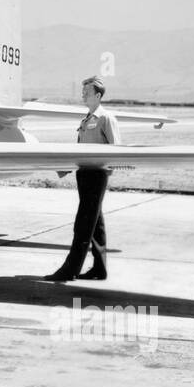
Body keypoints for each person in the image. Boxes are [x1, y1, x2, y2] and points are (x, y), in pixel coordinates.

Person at [44, 75, 121, 282]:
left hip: (96, 176)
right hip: (84, 175)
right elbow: (81, 150)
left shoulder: (106, 119)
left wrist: (105, 172)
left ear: (97, 95)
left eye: (86, 92)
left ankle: (70, 269)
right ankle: (99, 268)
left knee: (83, 224)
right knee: (96, 225)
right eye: (82, 92)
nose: (83, 95)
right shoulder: (86, 120)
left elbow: (116, 149)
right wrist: (66, 168)